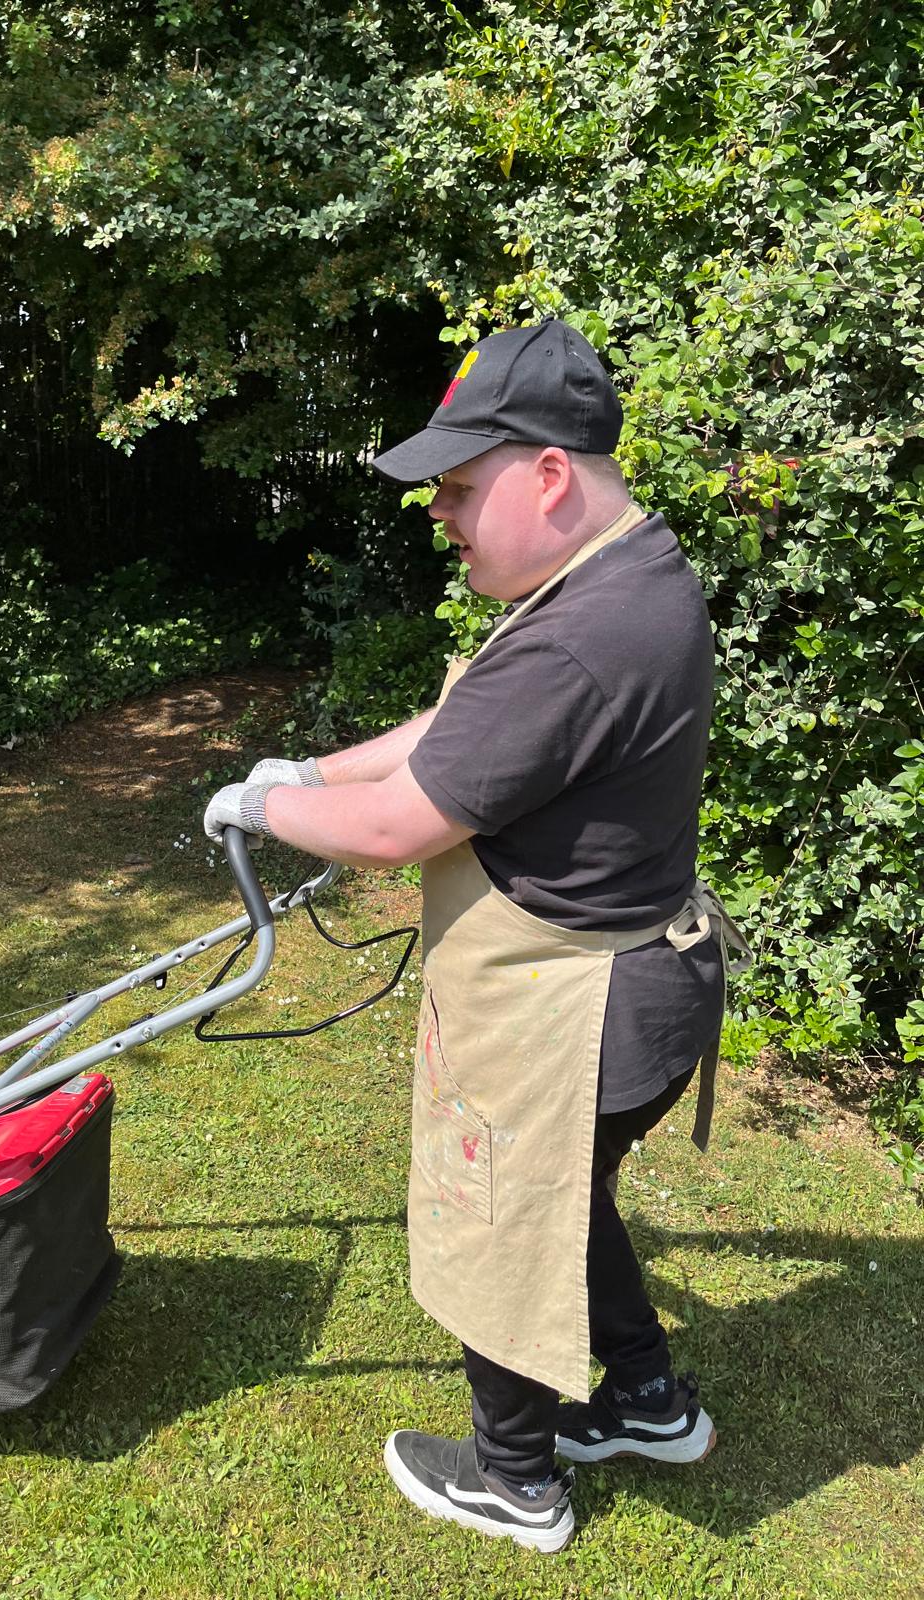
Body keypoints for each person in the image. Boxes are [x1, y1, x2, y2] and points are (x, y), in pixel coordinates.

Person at [203, 318, 751, 1554]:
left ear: (546, 473)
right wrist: (305, 768)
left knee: (502, 1211)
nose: (440, 513)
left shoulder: (580, 633)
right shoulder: (617, 570)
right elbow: (458, 730)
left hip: (581, 1007)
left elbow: (401, 823)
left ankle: (516, 1479)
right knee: (572, 1197)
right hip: (642, 980)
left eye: (457, 487)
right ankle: (648, 1404)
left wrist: (261, 806)